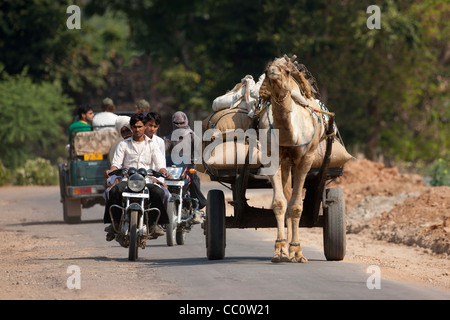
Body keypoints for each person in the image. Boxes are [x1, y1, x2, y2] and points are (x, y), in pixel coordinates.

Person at [104, 113, 170, 240]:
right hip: (128, 181)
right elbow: (116, 163)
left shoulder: (152, 144)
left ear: (144, 127)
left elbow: (159, 163)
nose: (137, 130)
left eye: (140, 127)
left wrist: (163, 171)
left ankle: (153, 225)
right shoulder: (123, 144)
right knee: (114, 191)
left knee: (158, 193)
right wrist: (111, 171)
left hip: (146, 181)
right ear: (131, 127)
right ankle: (114, 224)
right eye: (134, 127)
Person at [165, 111, 207, 213]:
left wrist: (198, 156)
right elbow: (162, 148)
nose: (179, 126)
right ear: (173, 123)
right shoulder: (170, 137)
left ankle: (199, 205)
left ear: (186, 122)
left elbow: (199, 148)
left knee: (193, 180)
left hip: (188, 167)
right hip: (174, 169)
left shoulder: (191, 135)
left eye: (181, 123)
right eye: (177, 123)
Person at [144, 112, 170, 210]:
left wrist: (159, 179)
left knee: (166, 195)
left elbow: (161, 161)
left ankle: (156, 221)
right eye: (150, 125)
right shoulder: (139, 139)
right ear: (145, 124)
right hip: (139, 178)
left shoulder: (159, 141)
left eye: (155, 126)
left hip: (154, 178)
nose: (152, 129)